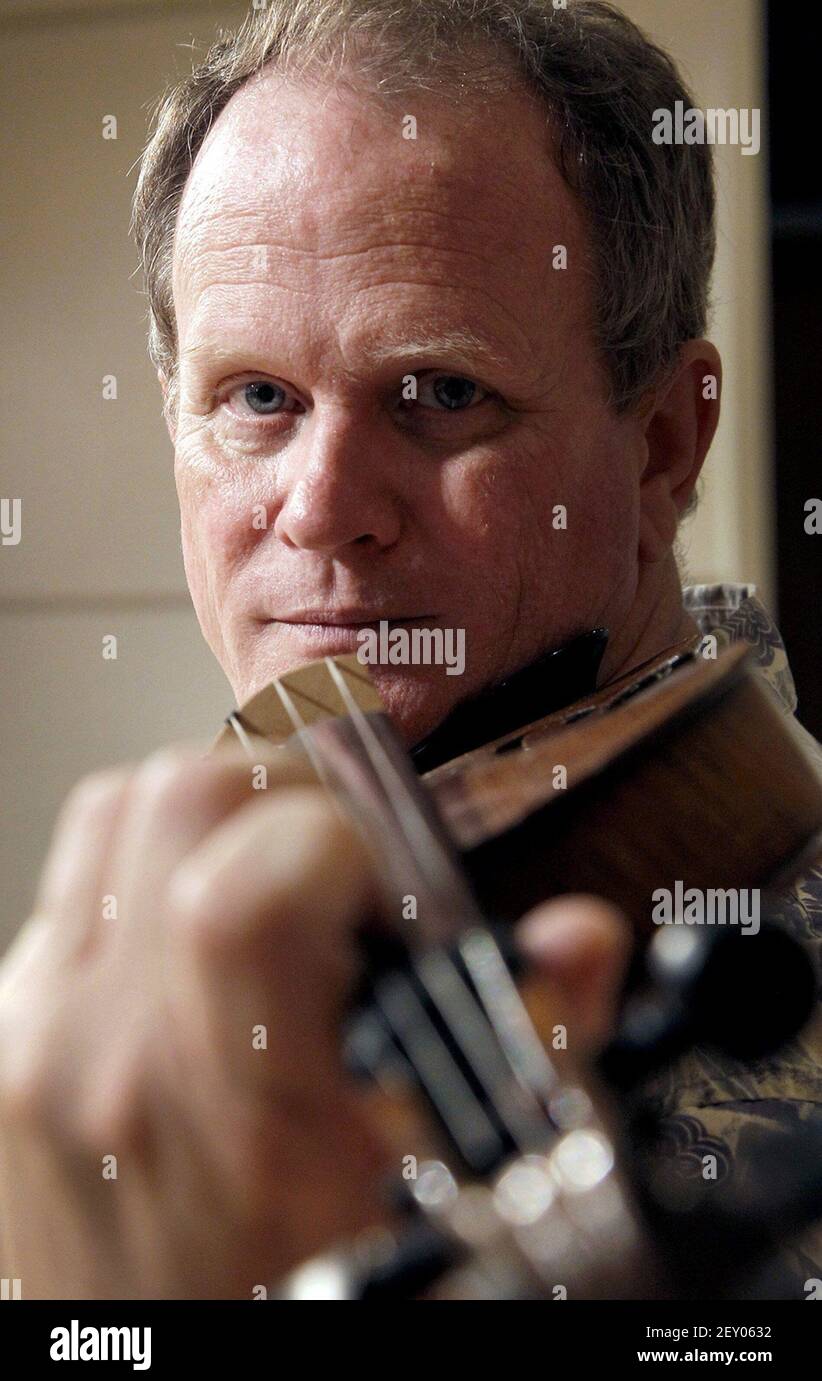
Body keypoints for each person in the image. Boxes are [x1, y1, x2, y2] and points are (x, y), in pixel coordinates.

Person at [0, 0, 819, 1298]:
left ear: (663, 441)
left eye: (441, 394)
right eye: (255, 398)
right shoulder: (194, 914)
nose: (320, 507)